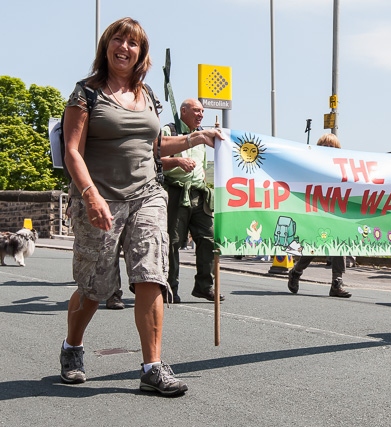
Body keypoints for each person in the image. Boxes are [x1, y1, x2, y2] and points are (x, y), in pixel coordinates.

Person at [59, 17, 224, 395]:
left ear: (141, 53)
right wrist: (90, 195)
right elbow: (72, 151)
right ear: (107, 46)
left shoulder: (148, 95)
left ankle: (152, 366)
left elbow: (155, 147)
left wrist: (197, 137)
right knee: (95, 287)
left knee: (151, 274)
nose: (125, 48)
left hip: (148, 195)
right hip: (98, 198)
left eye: (133, 43)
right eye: (118, 39)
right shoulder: (86, 92)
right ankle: (72, 346)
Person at [161, 98, 224, 303]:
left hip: (199, 194)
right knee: (172, 242)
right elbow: (155, 161)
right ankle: (169, 287)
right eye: (196, 110)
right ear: (183, 111)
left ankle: (204, 286)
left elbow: (203, 166)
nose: (201, 115)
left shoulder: (203, 135)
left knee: (209, 239)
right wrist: (177, 161)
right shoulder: (168, 131)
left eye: (203, 111)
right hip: (175, 192)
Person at [287, 133, 351, 298]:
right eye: (325, 146)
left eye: (332, 146)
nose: (328, 149)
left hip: (335, 210)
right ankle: (296, 271)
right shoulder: (311, 164)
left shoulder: (342, 166)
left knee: (339, 242)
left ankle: (337, 282)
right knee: (315, 244)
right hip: (316, 209)